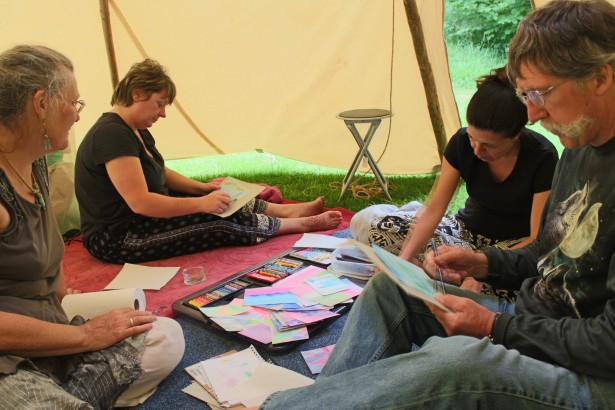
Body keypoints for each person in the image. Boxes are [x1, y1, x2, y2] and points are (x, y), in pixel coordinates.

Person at [251, 1, 615, 408]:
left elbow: (609, 343)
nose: (530, 114)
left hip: (594, 376)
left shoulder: (562, 148)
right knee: (391, 289)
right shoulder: (579, 147)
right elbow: (548, 257)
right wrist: (482, 263)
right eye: (525, 95)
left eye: (541, 93)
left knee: (456, 361)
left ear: (599, 78)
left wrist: (495, 326)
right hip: (537, 324)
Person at [0, 45, 184, 408]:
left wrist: (73, 315)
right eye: (73, 103)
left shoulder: (35, 166)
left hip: (52, 334)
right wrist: (86, 336)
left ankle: (62, 395)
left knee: (163, 335)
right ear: (41, 104)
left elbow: (51, 278)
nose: (77, 115)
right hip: (10, 356)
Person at [74, 59, 342, 264]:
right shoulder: (111, 135)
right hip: (119, 237)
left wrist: (203, 189)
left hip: (142, 218)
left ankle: (286, 211)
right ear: (137, 93)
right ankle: (297, 224)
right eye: (160, 103)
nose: (163, 113)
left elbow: (160, 172)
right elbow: (140, 202)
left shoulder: (133, 129)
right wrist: (201, 204)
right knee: (215, 222)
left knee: (222, 194)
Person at [350, 67, 558, 296]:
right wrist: (402, 262)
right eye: (472, 138)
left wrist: (479, 269)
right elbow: (434, 209)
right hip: (463, 234)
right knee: (379, 227)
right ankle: (441, 273)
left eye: (488, 145)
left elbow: (535, 239)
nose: (477, 150)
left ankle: (440, 274)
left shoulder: (542, 157)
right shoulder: (460, 143)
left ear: (516, 135)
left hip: (510, 248)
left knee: (533, 283)